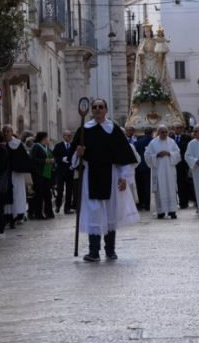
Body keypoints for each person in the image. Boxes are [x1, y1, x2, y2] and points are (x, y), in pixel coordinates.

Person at [71, 99, 139, 262]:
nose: (97, 109)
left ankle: (110, 250)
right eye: (94, 107)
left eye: (100, 107)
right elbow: (74, 159)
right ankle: (94, 251)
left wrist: (124, 177)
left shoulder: (113, 129)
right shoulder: (84, 130)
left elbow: (124, 155)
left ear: (106, 110)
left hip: (112, 175)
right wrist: (78, 154)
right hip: (91, 176)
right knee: (94, 212)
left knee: (110, 213)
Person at [145, 125, 181, 219]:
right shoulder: (153, 143)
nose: (164, 134)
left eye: (166, 132)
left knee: (171, 189)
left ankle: (172, 211)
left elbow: (178, 154)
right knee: (160, 190)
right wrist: (156, 155)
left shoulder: (172, 142)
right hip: (158, 171)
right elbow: (147, 156)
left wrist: (169, 153)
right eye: (162, 132)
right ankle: (160, 211)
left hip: (170, 170)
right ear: (158, 132)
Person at [4, 126, 31, 227]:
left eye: (8, 131)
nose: (6, 133)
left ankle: (18, 215)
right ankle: (9, 216)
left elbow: (23, 159)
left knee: (17, 194)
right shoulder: (3, 144)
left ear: (12, 132)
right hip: (6, 175)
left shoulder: (18, 144)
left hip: (16, 175)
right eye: (4, 131)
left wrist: (16, 166)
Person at [29, 132, 55, 220]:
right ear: (43, 138)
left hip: (46, 174)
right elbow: (32, 159)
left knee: (48, 194)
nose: (48, 139)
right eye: (47, 137)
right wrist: (45, 161)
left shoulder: (46, 147)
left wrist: (52, 160)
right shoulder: (36, 146)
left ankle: (49, 212)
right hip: (38, 174)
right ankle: (38, 213)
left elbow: (51, 156)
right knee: (39, 194)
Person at [52, 130, 75, 214]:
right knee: (60, 189)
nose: (69, 137)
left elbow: (75, 156)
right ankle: (58, 205)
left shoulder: (72, 146)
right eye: (67, 135)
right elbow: (54, 156)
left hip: (70, 171)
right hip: (60, 171)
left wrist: (72, 164)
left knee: (69, 190)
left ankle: (67, 208)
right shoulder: (58, 146)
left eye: (70, 135)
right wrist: (61, 159)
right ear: (64, 136)